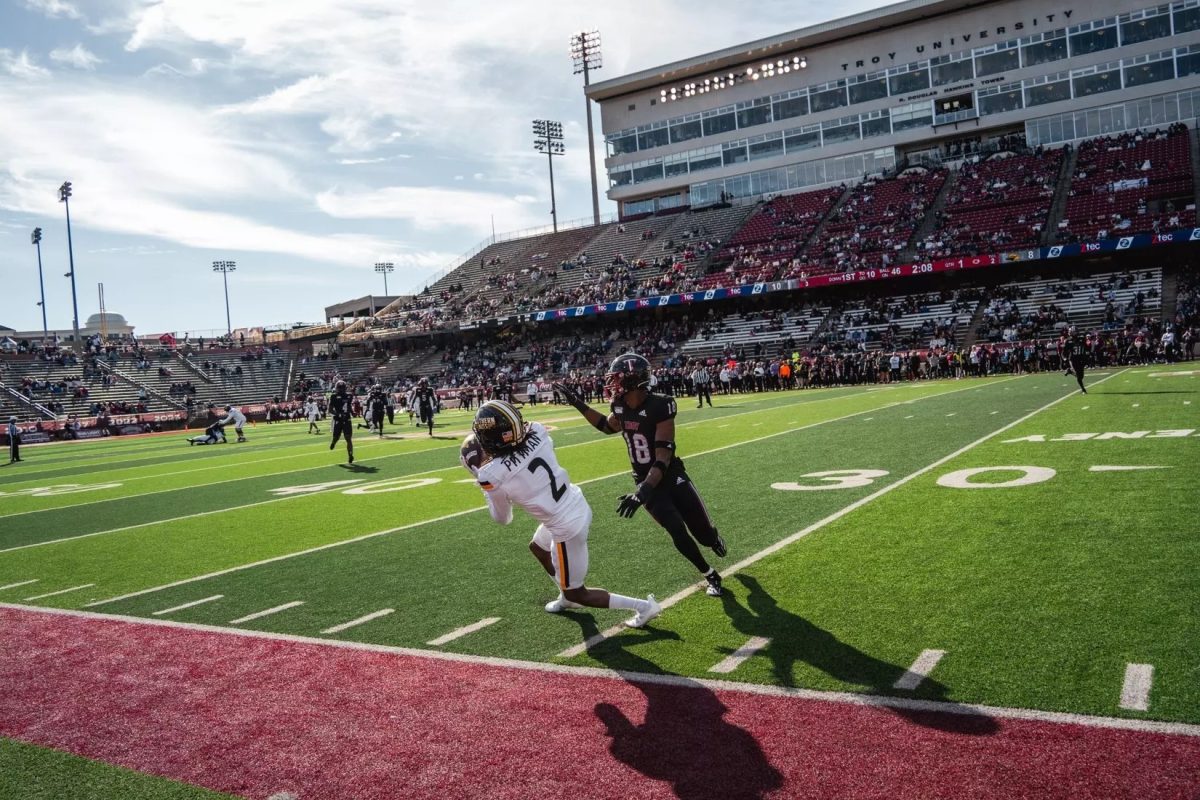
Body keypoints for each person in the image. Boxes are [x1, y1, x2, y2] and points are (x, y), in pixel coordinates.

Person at [462, 399, 660, 627]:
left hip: (564, 524)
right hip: (574, 501)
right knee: (538, 547)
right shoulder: (536, 430)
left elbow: (503, 518)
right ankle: (565, 596)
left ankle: (643, 607)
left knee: (579, 593)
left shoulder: (491, 474)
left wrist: (485, 482)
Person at [556, 353, 727, 597]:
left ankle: (712, 538)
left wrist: (641, 493)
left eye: (617, 378)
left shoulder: (661, 404)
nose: (612, 383)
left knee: (704, 535)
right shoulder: (619, 405)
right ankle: (710, 575)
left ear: (633, 379)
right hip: (644, 482)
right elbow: (607, 426)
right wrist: (578, 404)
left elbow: (663, 458)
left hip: (670, 475)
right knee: (676, 529)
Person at [328, 380, 355, 464]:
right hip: (338, 419)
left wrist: (352, 412)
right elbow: (330, 410)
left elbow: (349, 406)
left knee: (348, 438)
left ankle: (350, 455)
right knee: (336, 437)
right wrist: (338, 414)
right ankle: (333, 442)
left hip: (347, 419)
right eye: (339, 388)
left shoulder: (349, 396)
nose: (341, 390)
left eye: (342, 388)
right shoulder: (333, 396)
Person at [1061, 327, 1087, 394]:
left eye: (1073, 331)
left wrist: (1086, 356)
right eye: (1072, 332)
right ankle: (1083, 389)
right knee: (1079, 376)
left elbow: (1085, 348)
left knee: (1081, 376)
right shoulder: (1068, 341)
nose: (1071, 333)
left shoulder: (1082, 338)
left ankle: (1070, 371)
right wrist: (1065, 359)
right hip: (1073, 359)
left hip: (1081, 359)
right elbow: (1063, 352)